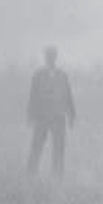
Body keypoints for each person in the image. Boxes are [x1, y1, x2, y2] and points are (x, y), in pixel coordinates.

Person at [26, 45, 76, 178]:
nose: (50, 58)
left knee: (59, 149)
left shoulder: (62, 76)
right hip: (42, 118)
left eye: (53, 56)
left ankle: (57, 177)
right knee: (36, 148)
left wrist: (71, 115)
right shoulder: (38, 76)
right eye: (48, 56)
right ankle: (30, 175)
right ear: (45, 57)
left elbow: (68, 96)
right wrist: (31, 115)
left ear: (56, 57)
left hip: (58, 118)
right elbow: (33, 96)